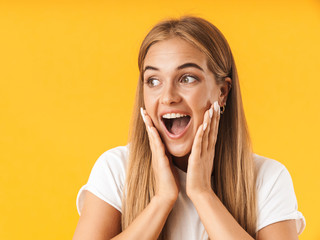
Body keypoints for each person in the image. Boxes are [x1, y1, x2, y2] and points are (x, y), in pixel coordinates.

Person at [72, 16, 305, 240]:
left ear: (222, 92)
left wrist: (202, 193)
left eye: (187, 78)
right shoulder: (115, 169)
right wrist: (162, 200)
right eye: (153, 80)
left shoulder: (268, 178)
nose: (168, 97)